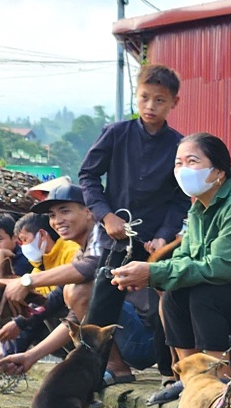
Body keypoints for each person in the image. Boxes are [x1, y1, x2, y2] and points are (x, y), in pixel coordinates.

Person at [109, 132, 231, 404]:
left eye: (192, 161)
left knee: (204, 294)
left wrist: (153, 273)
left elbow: (220, 268)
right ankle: (194, 380)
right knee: (176, 294)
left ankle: (221, 382)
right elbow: (185, 258)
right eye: (178, 163)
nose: (183, 170)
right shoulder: (199, 210)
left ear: (218, 171)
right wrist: (149, 275)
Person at [79, 65, 187, 346]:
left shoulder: (180, 146)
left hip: (155, 244)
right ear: (135, 97)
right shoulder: (116, 133)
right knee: (101, 309)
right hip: (116, 239)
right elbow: (88, 175)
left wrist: (164, 235)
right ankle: (91, 378)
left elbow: (180, 198)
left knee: (158, 310)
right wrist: (105, 216)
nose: (150, 106)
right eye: (144, 97)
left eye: (160, 100)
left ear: (174, 102)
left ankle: (167, 377)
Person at [0, 185, 103, 374]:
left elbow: (88, 268)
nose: (57, 221)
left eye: (65, 211)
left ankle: (110, 367)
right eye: (52, 215)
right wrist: (31, 356)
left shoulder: (100, 236)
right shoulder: (78, 250)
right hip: (111, 330)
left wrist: (26, 282)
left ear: (88, 212)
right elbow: (73, 314)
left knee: (73, 294)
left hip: (138, 335)